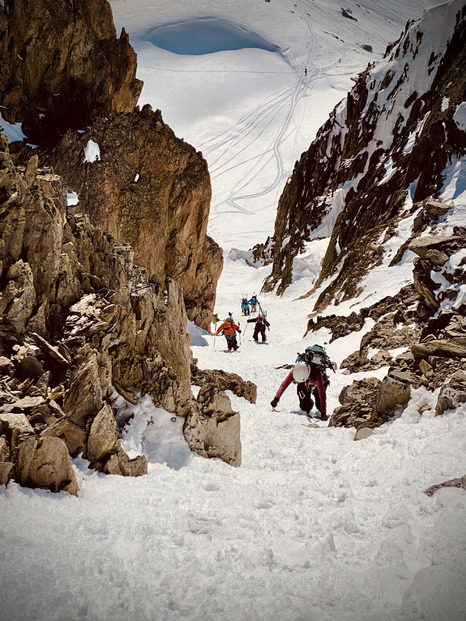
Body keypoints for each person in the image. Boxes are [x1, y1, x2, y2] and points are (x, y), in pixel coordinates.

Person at [270, 345, 336, 421]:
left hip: (317, 384)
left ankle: (317, 406)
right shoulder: (296, 370)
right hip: (304, 384)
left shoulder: (317, 373)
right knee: (304, 407)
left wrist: (323, 412)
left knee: (320, 406)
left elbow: (322, 394)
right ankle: (308, 405)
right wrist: (276, 399)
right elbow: (285, 384)